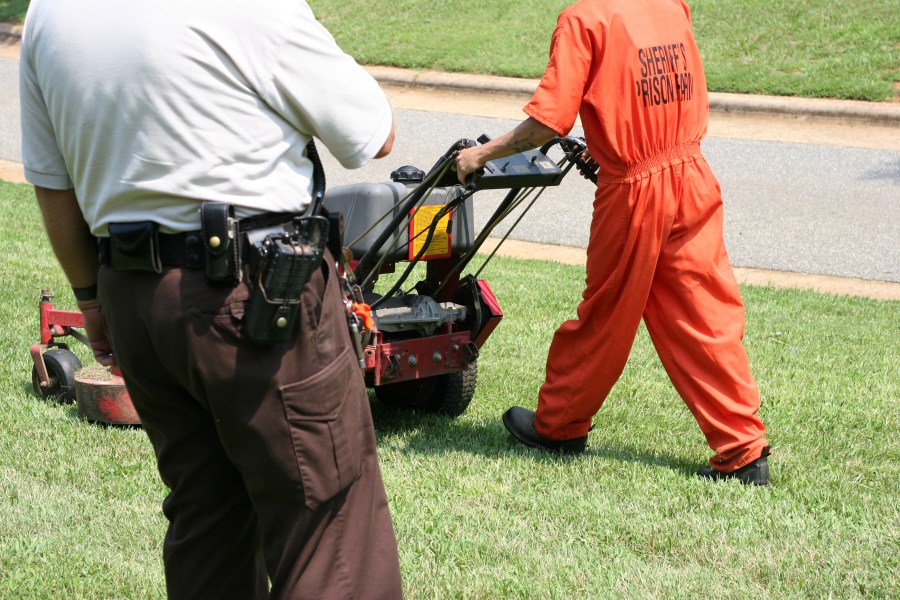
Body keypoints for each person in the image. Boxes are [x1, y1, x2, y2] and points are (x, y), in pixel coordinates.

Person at [20, 0, 405, 597]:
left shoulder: (49, 12)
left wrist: (91, 303)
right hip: (255, 297)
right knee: (327, 533)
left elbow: (52, 180)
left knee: (207, 521)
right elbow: (374, 132)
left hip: (134, 297)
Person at [456, 0, 771, 486]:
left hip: (635, 191)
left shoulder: (583, 19)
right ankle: (744, 450)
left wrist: (482, 154)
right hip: (692, 174)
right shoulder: (670, 6)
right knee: (706, 312)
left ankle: (559, 427)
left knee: (605, 313)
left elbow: (548, 123)